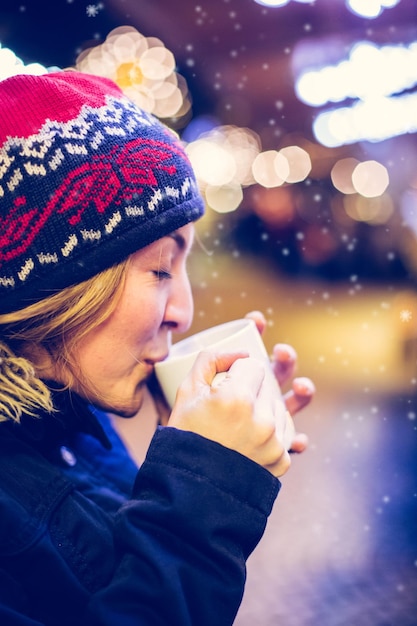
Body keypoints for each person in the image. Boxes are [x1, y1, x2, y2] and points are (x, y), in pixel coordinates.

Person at [0, 70, 314, 625]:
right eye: (162, 268)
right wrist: (205, 494)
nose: (184, 311)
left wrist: (190, 461)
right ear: (59, 283)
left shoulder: (66, 420)